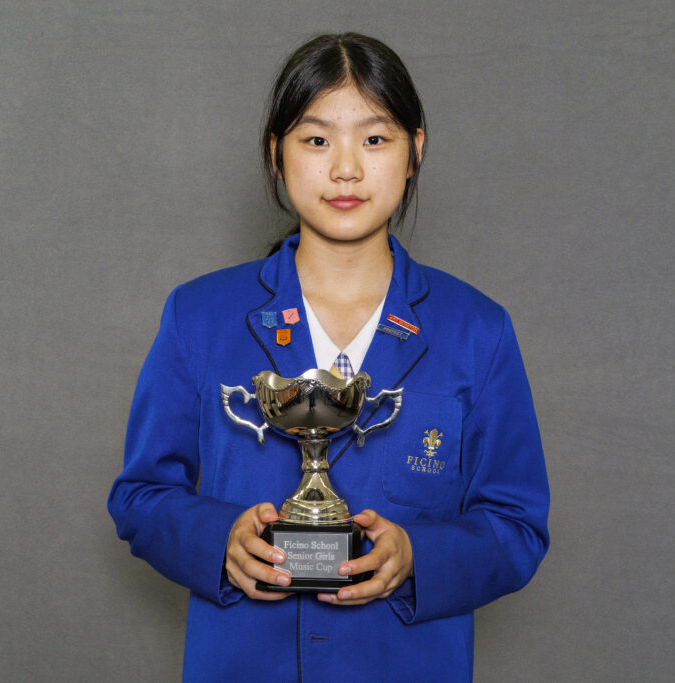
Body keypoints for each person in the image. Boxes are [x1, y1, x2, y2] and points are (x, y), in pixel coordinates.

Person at [108, 32, 549, 682]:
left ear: (414, 152)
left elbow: (518, 524)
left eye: (375, 139)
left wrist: (417, 555)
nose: (346, 168)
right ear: (277, 156)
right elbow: (140, 495)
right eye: (316, 140)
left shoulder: (477, 330)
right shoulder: (198, 316)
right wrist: (217, 539)